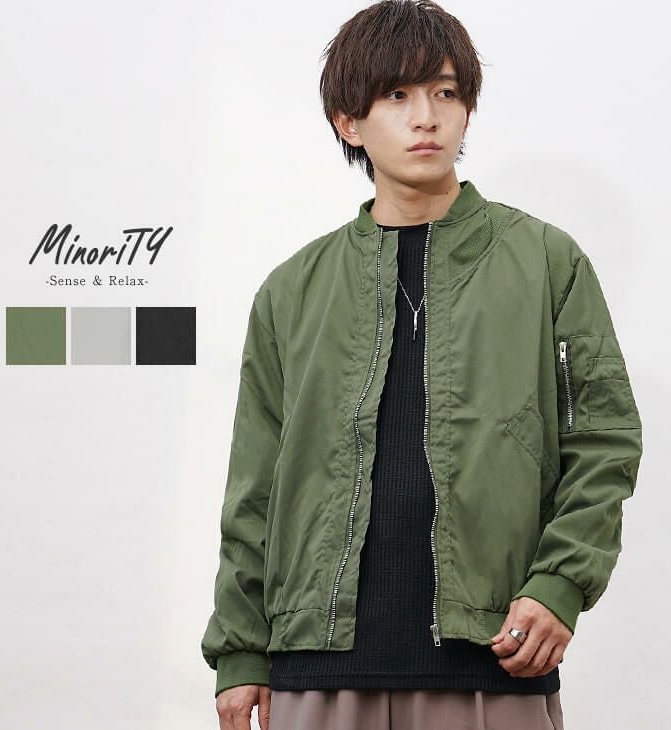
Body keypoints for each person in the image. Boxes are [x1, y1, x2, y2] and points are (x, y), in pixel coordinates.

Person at [200, 1, 644, 728]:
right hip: (317, 667)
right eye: (397, 95)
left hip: (492, 659)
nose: (426, 118)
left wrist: (560, 584)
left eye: (445, 92)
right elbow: (255, 485)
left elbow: (602, 441)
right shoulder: (292, 290)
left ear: (468, 109)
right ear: (349, 121)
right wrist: (241, 650)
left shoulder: (546, 262)